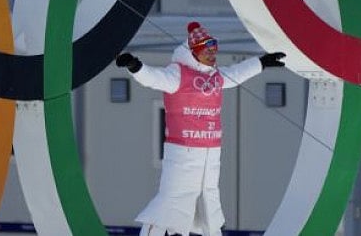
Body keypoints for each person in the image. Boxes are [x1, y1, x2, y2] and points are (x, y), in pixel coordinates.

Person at [115, 21, 285, 236]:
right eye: (207, 51)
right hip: (183, 154)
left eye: (214, 50)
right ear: (195, 52)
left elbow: (237, 73)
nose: (212, 55)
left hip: (210, 155)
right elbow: (154, 78)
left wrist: (262, 62)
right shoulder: (178, 75)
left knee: (209, 208)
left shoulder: (214, 77)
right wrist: (135, 67)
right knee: (170, 203)